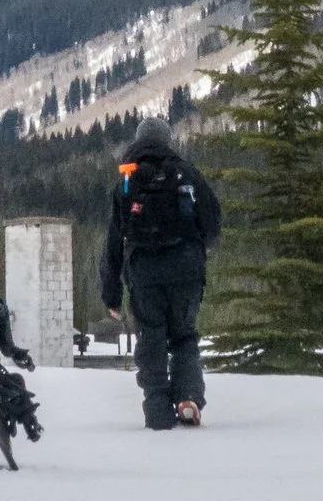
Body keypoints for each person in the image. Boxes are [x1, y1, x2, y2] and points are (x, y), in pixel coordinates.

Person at [100, 115, 221, 430]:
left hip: (144, 274)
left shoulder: (127, 182)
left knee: (151, 337)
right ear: (168, 141)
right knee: (183, 337)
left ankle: (157, 408)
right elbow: (212, 222)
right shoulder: (187, 174)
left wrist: (111, 294)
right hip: (186, 271)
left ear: (139, 142)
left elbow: (114, 241)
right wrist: (198, 251)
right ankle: (189, 398)